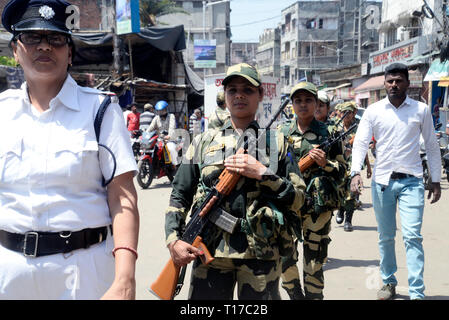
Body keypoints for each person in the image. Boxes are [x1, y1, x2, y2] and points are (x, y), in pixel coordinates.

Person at [0, 0, 139, 299]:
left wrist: (125, 278)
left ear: (70, 53)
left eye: (56, 39)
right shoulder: (2, 113)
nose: (44, 47)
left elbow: (123, 196)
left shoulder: (100, 110)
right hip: (9, 273)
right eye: (32, 38)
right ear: (15, 50)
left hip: (82, 272)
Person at [164, 63, 306, 299]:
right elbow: (179, 195)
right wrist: (173, 241)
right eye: (233, 90)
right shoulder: (202, 142)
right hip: (209, 253)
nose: (239, 95)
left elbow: (299, 199)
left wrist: (264, 174)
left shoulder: (278, 143)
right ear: (225, 95)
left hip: (261, 255)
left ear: (260, 94)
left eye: (248, 90)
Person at [350, 63, 441, 300]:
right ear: (384, 84)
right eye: (390, 81)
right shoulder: (374, 111)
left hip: (412, 181)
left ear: (407, 84)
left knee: (412, 236)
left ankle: (417, 292)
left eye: (399, 80)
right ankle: (389, 282)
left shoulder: (420, 110)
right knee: (386, 236)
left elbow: (431, 145)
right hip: (382, 183)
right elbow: (360, 142)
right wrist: (355, 172)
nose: (394, 84)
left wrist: (436, 179)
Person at [279, 82, 346, 300]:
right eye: (298, 101)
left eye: (308, 100)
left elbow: (342, 171)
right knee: (285, 258)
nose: (303, 105)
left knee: (314, 261)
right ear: (291, 105)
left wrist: (326, 164)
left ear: (317, 104)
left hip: (318, 209)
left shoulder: (330, 133)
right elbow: (271, 171)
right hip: (288, 206)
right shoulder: (280, 133)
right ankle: (295, 294)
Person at [332, 101, 372, 232]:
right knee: (340, 191)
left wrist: (368, 166)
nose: (346, 115)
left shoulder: (358, 127)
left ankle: (348, 220)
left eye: (348, 112)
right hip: (339, 165)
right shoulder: (336, 128)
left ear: (353, 113)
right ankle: (340, 211)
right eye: (343, 112)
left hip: (353, 164)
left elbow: (363, 147)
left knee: (352, 192)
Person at [147, 100, 179, 166]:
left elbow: (172, 128)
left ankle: (175, 166)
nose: (161, 112)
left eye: (162, 110)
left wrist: (169, 136)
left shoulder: (171, 116)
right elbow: (150, 128)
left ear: (166, 109)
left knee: (171, 148)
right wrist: (145, 134)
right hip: (159, 140)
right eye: (159, 111)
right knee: (151, 149)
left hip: (170, 139)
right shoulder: (156, 118)